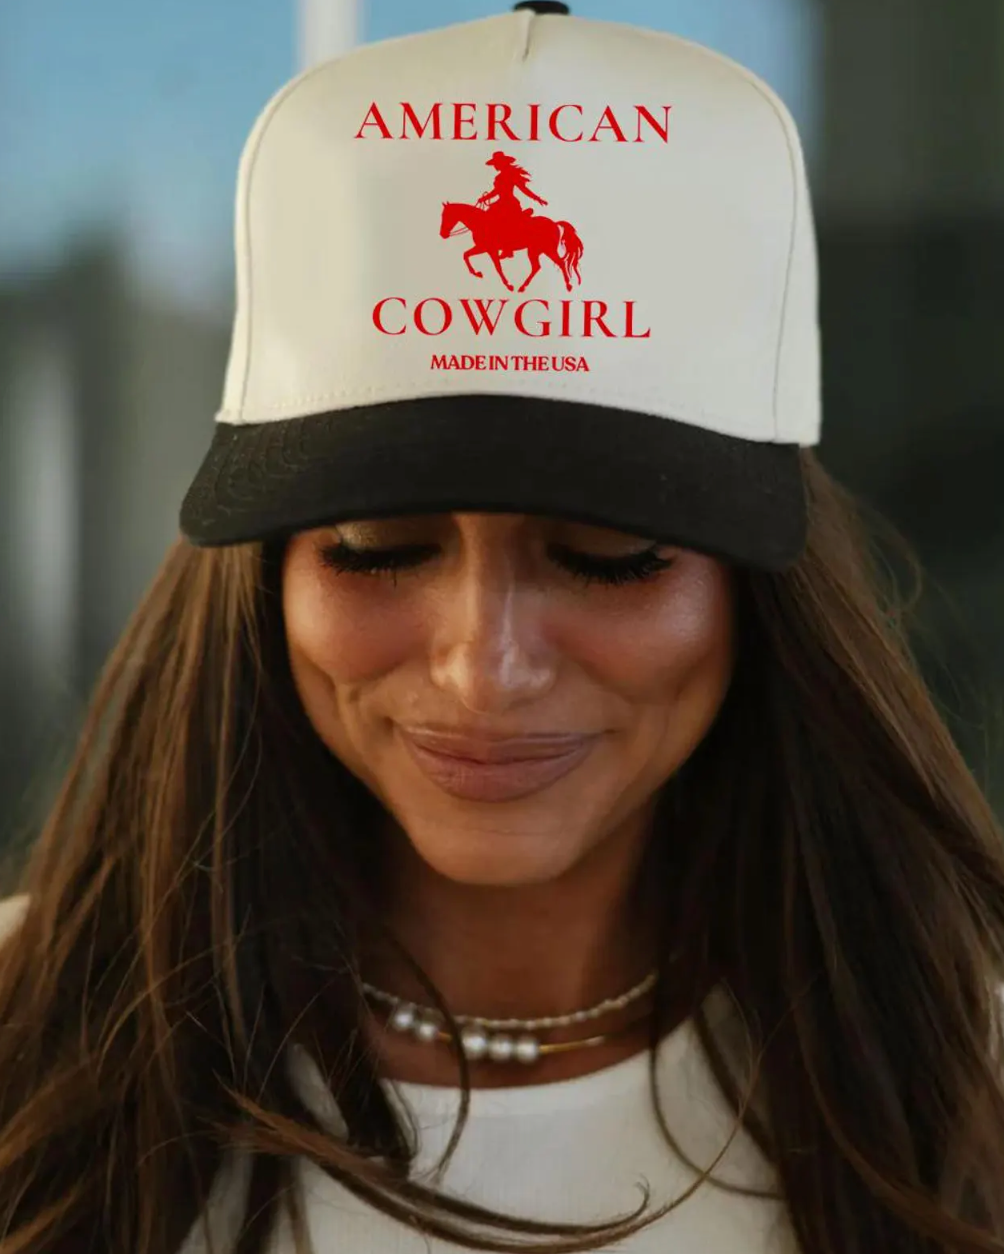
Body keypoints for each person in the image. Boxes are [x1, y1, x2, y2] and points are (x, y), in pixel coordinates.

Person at [1, 5, 1004, 1254]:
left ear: (760, 592)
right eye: (375, 547)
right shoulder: (26, 1037)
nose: (484, 667)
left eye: (608, 557)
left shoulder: (965, 1078)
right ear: (262, 579)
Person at [475, 151, 548, 257]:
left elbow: (523, 189)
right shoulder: (499, 177)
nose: (495, 166)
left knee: (506, 222)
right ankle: (493, 242)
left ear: (502, 162)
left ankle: (508, 248)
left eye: (496, 163)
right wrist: (484, 198)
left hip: (510, 203)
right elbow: (496, 191)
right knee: (488, 220)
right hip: (500, 203)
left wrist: (537, 198)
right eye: (494, 164)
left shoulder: (512, 174)